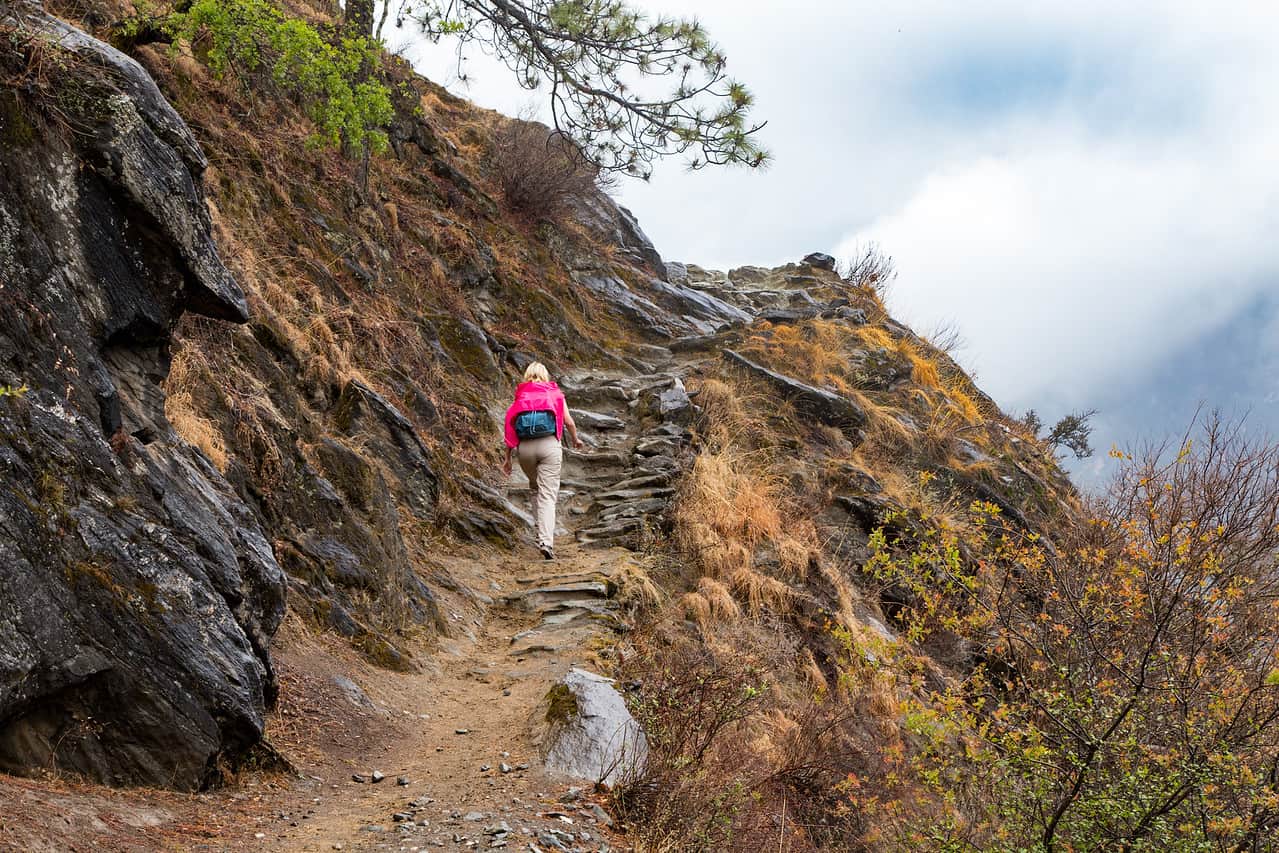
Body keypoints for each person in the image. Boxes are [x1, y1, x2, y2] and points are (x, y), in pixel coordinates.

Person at [502, 362, 582, 559]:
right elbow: (569, 422)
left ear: (527, 375)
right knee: (547, 495)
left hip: (525, 449)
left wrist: (507, 458)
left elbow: (510, 424)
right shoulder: (555, 393)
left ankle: (540, 532)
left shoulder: (521, 395)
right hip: (548, 446)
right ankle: (546, 542)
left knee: (535, 488)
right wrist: (575, 439)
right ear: (545, 375)